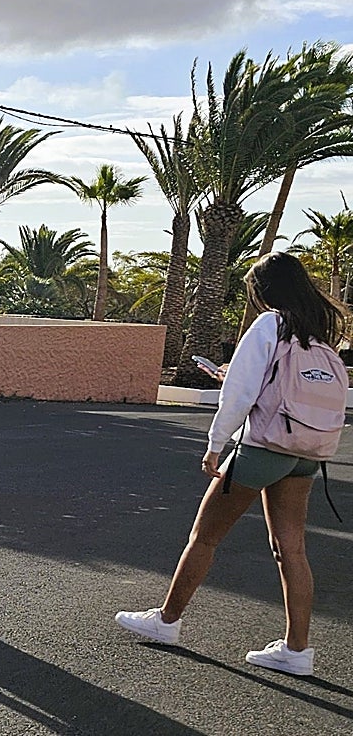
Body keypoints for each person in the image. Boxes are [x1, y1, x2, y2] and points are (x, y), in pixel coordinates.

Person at [116, 252, 350, 676]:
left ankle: (167, 621)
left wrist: (214, 445)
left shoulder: (268, 324)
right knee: (291, 549)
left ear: (263, 291)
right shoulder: (316, 336)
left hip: (262, 448)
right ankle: (297, 650)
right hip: (306, 454)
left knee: (204, 537)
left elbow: (239, 397)